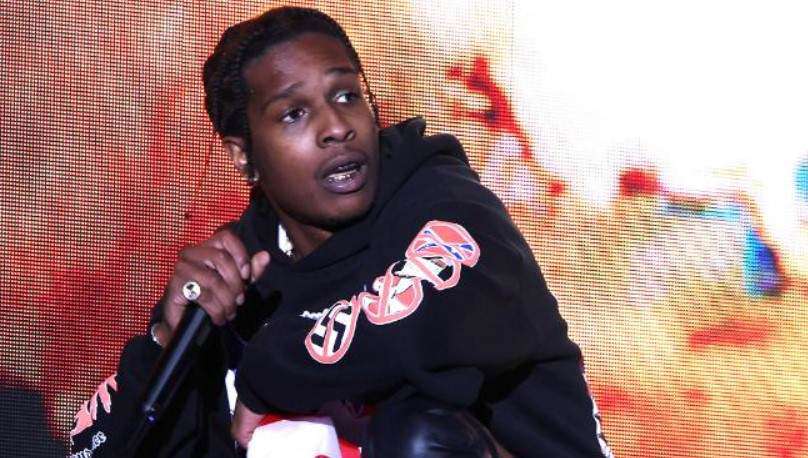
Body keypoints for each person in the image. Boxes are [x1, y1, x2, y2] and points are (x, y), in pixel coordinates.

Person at [69, 6, 612, 457]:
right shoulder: (239, 272)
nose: (336, 127)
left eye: (347, 95)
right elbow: (95, 448)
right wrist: (167, 342)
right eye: (293, 114)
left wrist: (268, 370)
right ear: (243, 155)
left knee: (418, 439)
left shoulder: (441, 201)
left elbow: (432, 318)